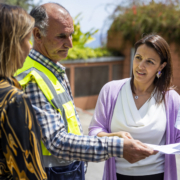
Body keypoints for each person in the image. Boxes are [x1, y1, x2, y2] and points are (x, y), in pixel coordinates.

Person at [14, 3, 156, 180]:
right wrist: (116, 147)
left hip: (66, 169)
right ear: (37, 34)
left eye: (71, 35)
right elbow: (56, 142)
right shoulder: (32, 77)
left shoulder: (52, 68)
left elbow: (67, 129)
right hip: (51, 174)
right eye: (61, 36)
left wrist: (109, 136)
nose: (70, 43)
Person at [89, 34, 180, 180]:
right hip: (117, 175)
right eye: (138, 57)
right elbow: (94, 131)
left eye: (150, 61)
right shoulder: (110, 90)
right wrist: (113, 136)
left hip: (157, 176)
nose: (140, 66)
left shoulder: (172, 99)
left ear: (161, 66)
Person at [0, 4, 47, 180]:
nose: (30, 47)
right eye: (28, 39)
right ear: (12, 44)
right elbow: (28, 173)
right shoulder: (13, 99)